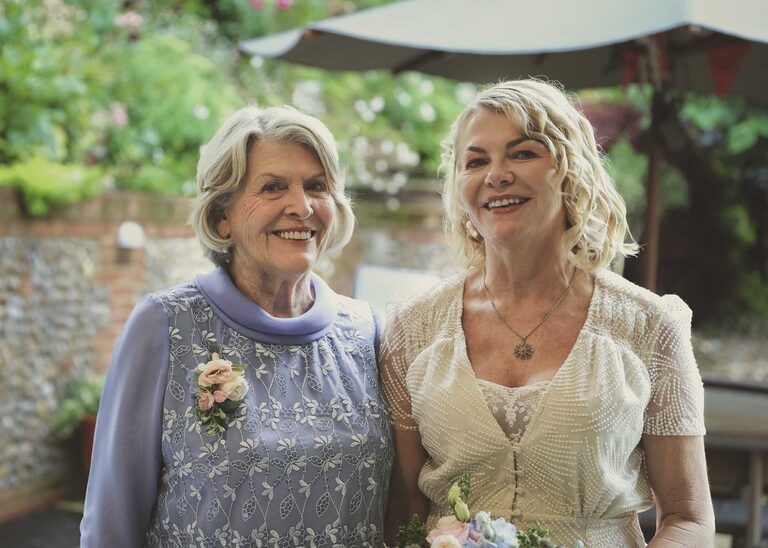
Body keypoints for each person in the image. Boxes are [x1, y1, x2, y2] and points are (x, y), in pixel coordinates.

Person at [381, 79, 715, 547]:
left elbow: (688, 517)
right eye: (475, 161)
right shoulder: (412, 329)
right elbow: (404, 514)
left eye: (522, 153)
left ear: (570, 168)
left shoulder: (649, 326)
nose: (496, 175)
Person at [80, 105, 393, 547]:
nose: (302, 206)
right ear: (221, 215)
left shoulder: (368, 332)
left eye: (317, 186)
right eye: (273, 187)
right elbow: (111, 521)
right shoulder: (166, 325)